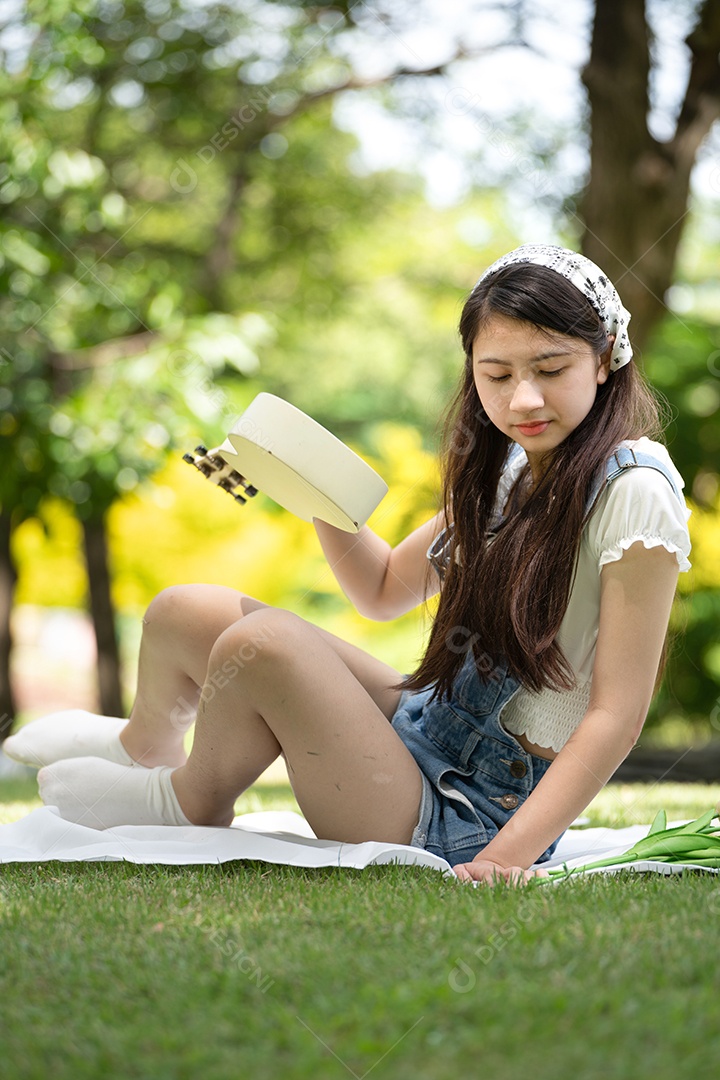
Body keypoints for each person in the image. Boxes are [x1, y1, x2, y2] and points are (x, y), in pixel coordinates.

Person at [5, 244, 691, 885]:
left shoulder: (635, 493)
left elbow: (616, 716)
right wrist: (304, 485)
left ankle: (187, 802)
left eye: (551, 370)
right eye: (497, 374)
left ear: (605, 360)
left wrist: (503, 860)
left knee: (261, 644)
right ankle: (142, 748)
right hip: (425, 726)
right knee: (185, 610)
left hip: (470, 812)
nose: (523, 400)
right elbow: (383, 589)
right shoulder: (514, 468)